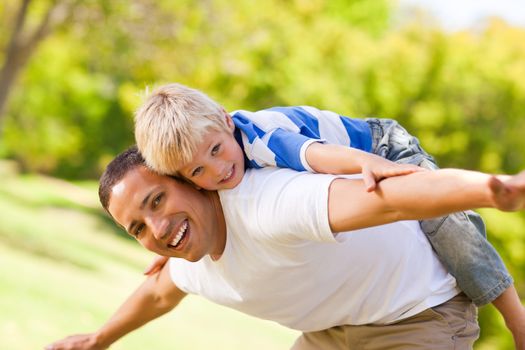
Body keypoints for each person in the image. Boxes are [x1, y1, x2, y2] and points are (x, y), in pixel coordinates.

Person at [134, 83, 524, 345]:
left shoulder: (263, 137)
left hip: (376, 146)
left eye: (217, 151)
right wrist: (168, 243)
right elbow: (200, 209)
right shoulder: (209, 161)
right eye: (198, 171)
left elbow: (314, 155)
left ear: (225, 119)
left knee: (448, 222)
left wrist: (365, 163)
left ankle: (514, 313)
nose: (217, 171)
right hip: (345, 168)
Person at [46, 147, 525, 350]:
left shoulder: (271, 203)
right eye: (137, 227)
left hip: (419, 314)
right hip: (332, 332)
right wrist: (99, 339)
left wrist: (493, 190)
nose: (157, 227)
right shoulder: (189, 257)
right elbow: (157, 293)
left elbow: (394, 199)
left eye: (157, 200)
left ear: (191, 181)